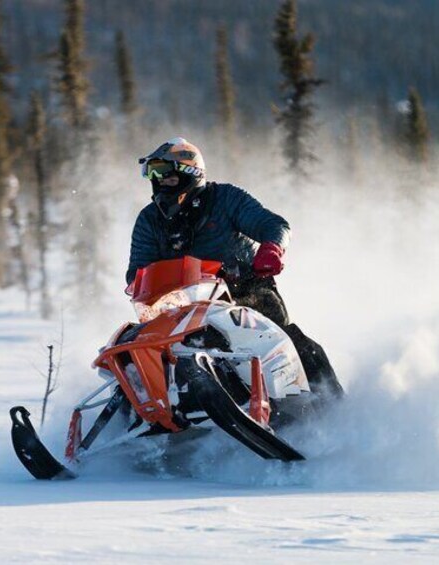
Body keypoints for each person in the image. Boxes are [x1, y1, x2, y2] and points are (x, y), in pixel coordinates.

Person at [126, 137, 344, 400]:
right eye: (154, 176)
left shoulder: (225, 198)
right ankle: (140, 407)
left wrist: (271, 249)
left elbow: (273, 225)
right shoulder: (149, 220)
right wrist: (139, 287)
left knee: (289, 338)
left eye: (166, 175)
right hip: (183, 306)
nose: (160, 182)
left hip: (244, 291)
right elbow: (137, 269)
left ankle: (331, 401)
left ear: (189, 174)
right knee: (136, 345)